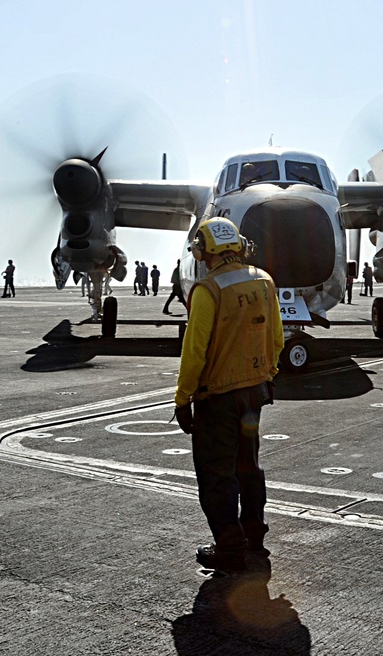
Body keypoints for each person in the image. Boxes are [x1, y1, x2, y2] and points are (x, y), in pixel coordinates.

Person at [173, 217, 284, 572]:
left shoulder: (209, 290)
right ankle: (254, 536)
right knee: (249, 466)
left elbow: (195, 353)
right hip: (255, 390)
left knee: (217, 474)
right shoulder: (264, 281)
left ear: (205, 251)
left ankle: (230, 548)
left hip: (218, 397)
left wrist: (183, 398)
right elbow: (277, 338)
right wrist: (266, 376)